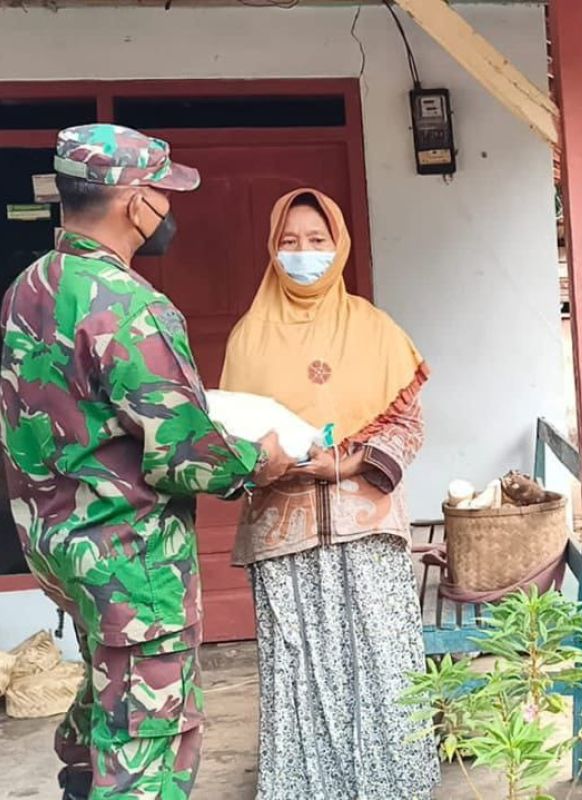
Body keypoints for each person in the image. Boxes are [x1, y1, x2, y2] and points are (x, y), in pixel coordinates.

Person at [0, 124, 292, 800]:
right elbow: (185, 453)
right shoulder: (131, 306)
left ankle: (82, 771)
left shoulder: (26, 289)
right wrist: (262, 459)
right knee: (150, 751)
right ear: (134, 201)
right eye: (163, 192)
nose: (167, 208)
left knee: (111, 695)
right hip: (132, 563)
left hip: (59, 549)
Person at [219, 188, 439, 800]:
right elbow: (229, 439)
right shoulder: (247, 338)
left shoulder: (374, 328)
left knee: (383, 671)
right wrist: (266, 462)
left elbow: (408, 423)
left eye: (316, 241)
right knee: (298, 677)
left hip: (366, 529)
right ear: (272, 249)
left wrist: (345, 465)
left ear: (338, 246)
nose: (303, 253)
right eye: (289, 242)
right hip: (282, 537)